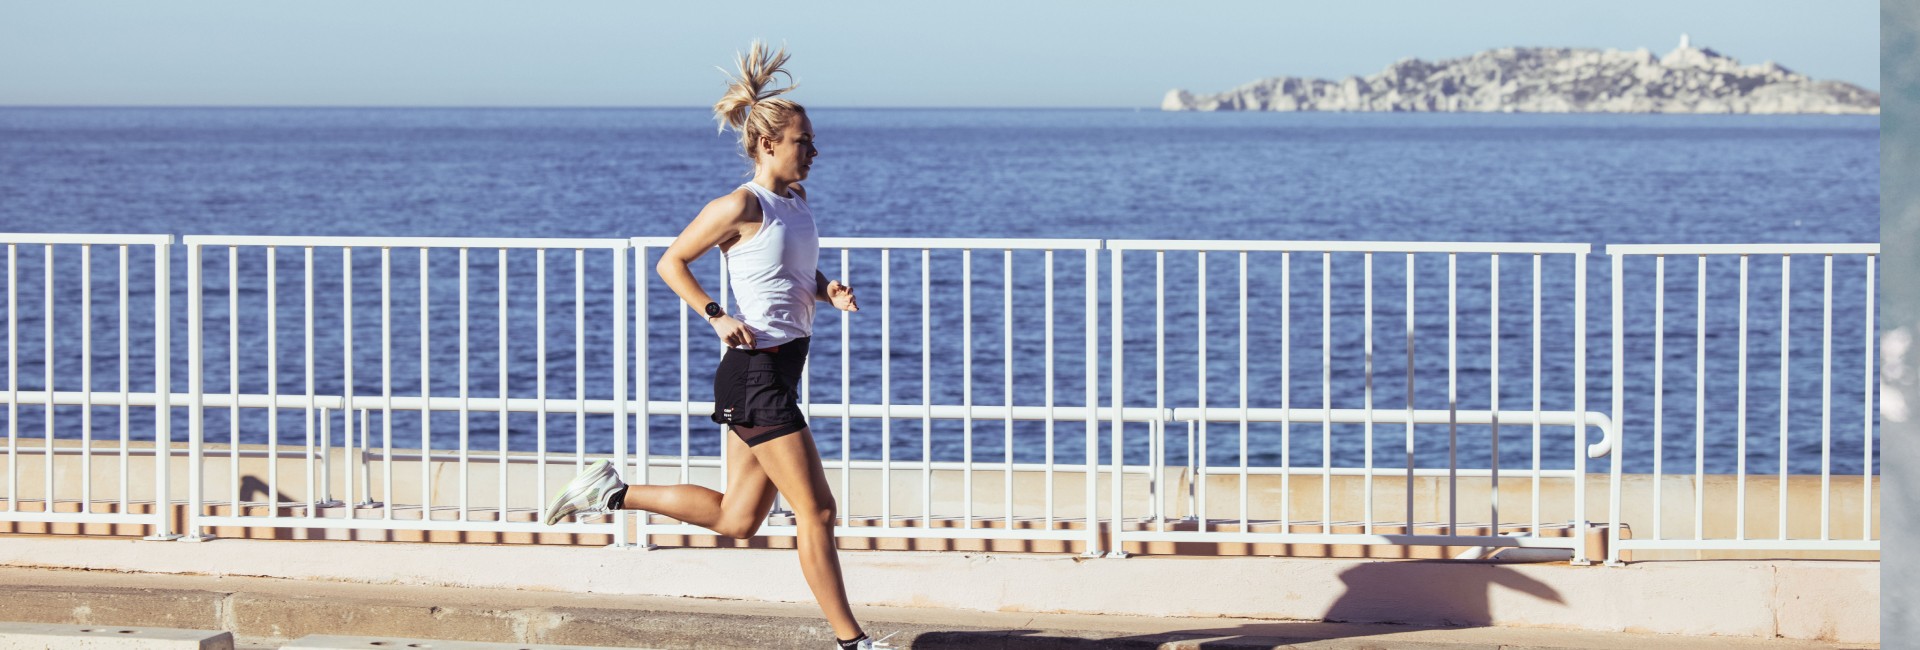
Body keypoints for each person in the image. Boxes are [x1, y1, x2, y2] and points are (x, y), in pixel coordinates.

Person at [543, 41, 886, 650]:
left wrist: (824, 287)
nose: (814, 150)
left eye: (811, 140)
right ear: (768, 144)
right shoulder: (738, 204)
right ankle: (852, 644)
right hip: (753, 373)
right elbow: (671, 262)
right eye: (803, 140)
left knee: (738, 519)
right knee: (818, 512)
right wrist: (715, 314)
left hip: (776, 372)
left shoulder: (795, 202)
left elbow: (784, 270)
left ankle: (610, 492)